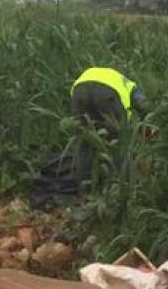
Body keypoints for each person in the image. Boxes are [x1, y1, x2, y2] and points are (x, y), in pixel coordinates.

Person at [32, 66, 151, 208]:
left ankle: (84, 191)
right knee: (119, 144)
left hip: (79, 91)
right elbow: (143, 105)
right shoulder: (131, 86)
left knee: (84, 143)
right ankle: (118, 189)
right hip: (106, 94)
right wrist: (150, 124)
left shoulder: (111, 76)